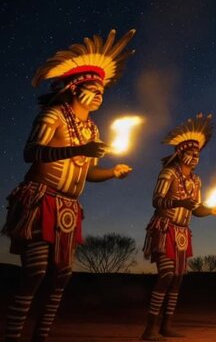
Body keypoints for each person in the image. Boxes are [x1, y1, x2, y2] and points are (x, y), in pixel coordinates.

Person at [1, 29, 136, 341]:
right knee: (34, 273)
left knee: (61, 275)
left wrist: (113, 172)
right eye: (94, 87)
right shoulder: (53, 116)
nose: (100, 93)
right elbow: (30, 153)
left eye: (103, 89)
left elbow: (88, 173)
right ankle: (12, 335)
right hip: (40, 201)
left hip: (68, 209)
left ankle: (42, 335)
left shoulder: (91, 129)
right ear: (76, 89)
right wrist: (77, 150)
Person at [141, 113, 216, 340]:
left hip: (183, 233)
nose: (195, 158)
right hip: (165, 228)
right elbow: (156, 201)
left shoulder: (196, 181)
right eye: (190, 153)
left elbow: (194, 208)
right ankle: (149, 329)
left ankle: (166, 325)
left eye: (198, 154)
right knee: (166, 275)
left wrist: (210, 211)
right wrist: (178, 202)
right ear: (179, 153)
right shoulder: (168, 173)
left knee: (177, 279)